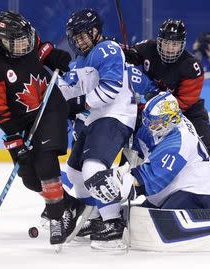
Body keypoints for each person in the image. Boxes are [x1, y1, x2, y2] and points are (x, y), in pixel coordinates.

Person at [0, 11, 91, 247]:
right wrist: (15, 139)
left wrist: (53, 55)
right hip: (18, 122)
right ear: (2, 41)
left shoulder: (26, 38)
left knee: (45, 161)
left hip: (50, 107)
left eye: (27, 39)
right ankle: (73, 206)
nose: (25, 45)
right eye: (18, 42)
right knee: (30, 178)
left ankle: (57, 218)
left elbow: (41, 49)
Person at [123, 19, 210, 209]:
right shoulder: (148, 48)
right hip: (155, 109)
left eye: (174, 44)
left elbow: (181, 104)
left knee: (208, 154)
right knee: (134, 143)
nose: (169, 48)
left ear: (182, 45)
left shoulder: (192, 67)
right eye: (166, 43)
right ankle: (124, 185)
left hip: (188, 112)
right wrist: (126, 54)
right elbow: (128, 53)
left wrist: (148, 106)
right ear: (159, 41)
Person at [57, 8, 137, 250]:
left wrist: (78, 104)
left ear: (95, 31)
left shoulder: (108, 49)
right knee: (74, 172)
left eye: (83, 35)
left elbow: (110, 91)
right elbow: (73, 91)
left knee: (93, 168)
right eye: (75, 37)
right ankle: (93, 219)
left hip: (116, 116)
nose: (79, 40)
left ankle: (113, 222)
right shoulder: (80, 59)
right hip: (95, 119)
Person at [84, 92, 210, 210]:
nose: (149, 125)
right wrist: (122, 172)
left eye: (155, 122)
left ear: (170, 120)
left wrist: (123, 183)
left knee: (159, 222)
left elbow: (150, 178)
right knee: (134, 217)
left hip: (199, 188)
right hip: (174, 183)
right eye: (148, 120)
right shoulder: (156, 127)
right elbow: (136, 155)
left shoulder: (178, 142)